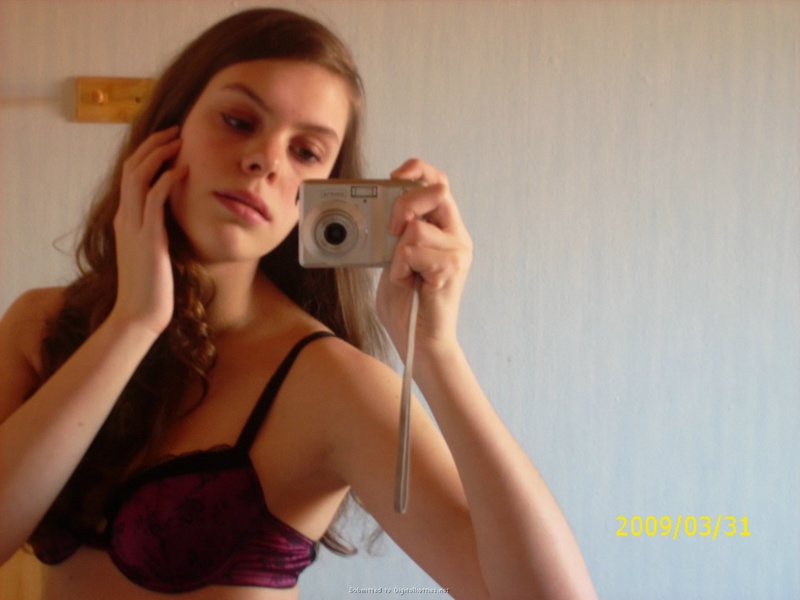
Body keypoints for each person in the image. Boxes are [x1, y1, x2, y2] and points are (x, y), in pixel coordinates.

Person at [0, 7, 597, 599]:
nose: (266, 159)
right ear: (167, 130)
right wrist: (132, 324)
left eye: (307, 152)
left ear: (320, 194)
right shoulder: (41, 326)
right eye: (238, 121)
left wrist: (437, 353)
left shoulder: (331, 385)